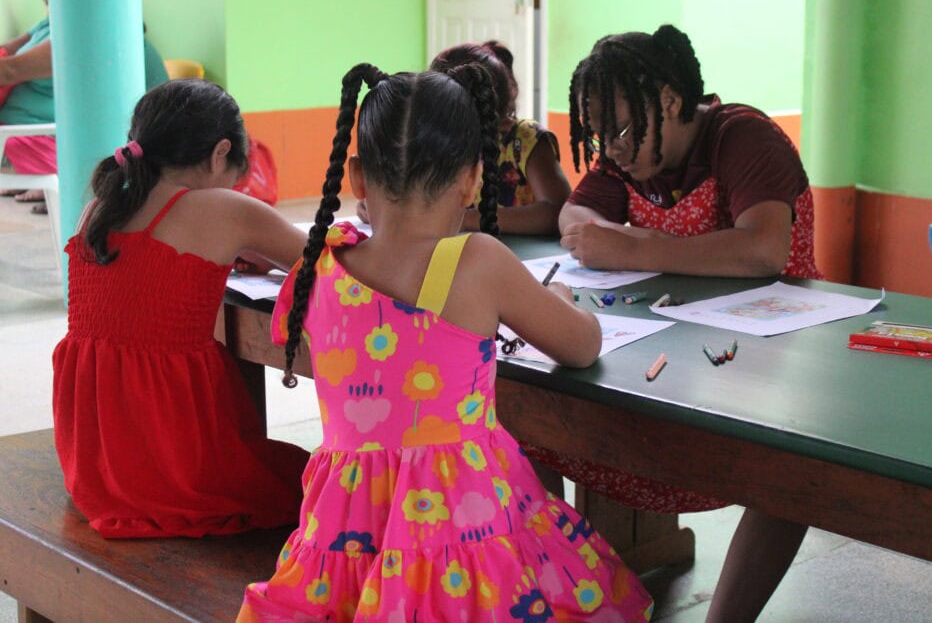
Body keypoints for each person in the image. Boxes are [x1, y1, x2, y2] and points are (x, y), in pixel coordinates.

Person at [237, 63, 653, 621]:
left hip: (349, 531)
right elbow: (582, 346)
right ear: (473, 179)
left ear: (358, 179)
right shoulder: (477, 260)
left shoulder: (322, 264)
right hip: (466, 525)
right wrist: (568, 306)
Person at [551, 24, 822, 622]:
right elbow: (576, 211)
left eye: (619, 130)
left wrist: (633, 247)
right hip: (674, 355)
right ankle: (561, 599)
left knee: (793, 474)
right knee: (533, 425)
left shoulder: (742, 138)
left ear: (669, 102)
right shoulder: (633, 157)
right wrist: (595, 231)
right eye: (599, 134)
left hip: (773, 359)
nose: (611, 149)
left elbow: (762, 251)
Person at [52, 78, 309, 539]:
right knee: (320, 481)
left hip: (97, 461)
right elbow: (328, 262)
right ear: (219, 152)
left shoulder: (99, 210)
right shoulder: (223, 209)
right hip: (173, 459)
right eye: (236, 173)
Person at [356, 41, 570, 236]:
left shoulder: (526, 141)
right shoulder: (438, 142)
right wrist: (383, 204)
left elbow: (556, 210)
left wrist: (467, 219)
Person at [0, 0, 168, 211]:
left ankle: (66, 190)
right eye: (48, 2)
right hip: (32, 134)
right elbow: (8, 50)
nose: (51, 8)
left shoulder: (87, 37)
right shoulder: (51, 25)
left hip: (68, 141)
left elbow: (8, 70)